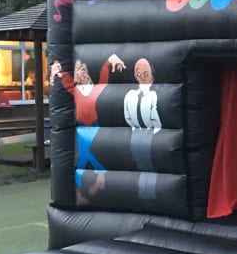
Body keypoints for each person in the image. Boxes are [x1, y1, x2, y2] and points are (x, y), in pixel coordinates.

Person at [51, 53, 125, 205]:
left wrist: (109, 61)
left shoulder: (94, 89)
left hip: (93, 126)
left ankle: (98, 179)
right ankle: (88, 186)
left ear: (87, 74)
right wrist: (59, 69)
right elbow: (67, 82)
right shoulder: (77, 91)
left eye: (83, 72)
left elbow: (103, 78)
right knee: (83, 157)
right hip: (82, 128)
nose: (81, 75)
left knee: (86, 153)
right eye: (78, 73)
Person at [123, 57, 161, 200]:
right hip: (136, 133)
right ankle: (142, 195)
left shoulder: (154, 94)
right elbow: (127, 115)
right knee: (139, 165)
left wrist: (155, 131)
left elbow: (156, 114)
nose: (141, 73)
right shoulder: (130, 95)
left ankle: (151, 195)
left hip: (151, 133)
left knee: (150, 164)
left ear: (152, 73)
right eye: (138, 71)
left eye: (145, 70)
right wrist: (135, 129)